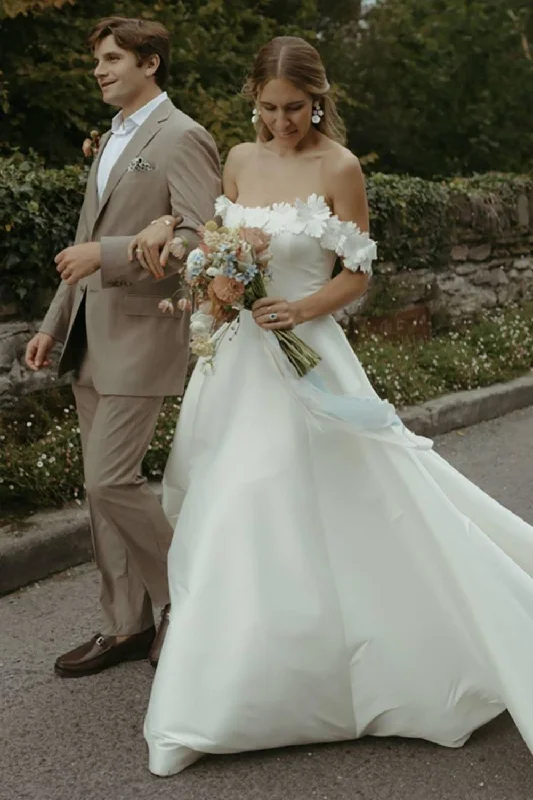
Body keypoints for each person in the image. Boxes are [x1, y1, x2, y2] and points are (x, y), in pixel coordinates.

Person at [134, 36, 533, 777]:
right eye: (269, 108)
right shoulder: (238, 159)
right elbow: (221, 244)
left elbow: (356, 276)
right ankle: (235, 688)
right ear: (252, 99)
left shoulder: (339, 168)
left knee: (319, 499)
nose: (281, 122)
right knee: (234, 508)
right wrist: (220, 293)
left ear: (318, 98)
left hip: (308, 353)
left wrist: (302, 305)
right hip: (239, 362)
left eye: (295, 107)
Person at [24, 16, 221, 677]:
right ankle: (126, 625)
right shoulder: (112, 138)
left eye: (112, 59)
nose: (100, 70)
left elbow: (200, 241)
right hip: (89, 337)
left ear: (151, 64)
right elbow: (82, 248)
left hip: (143, 335)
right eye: (98, 61)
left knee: (112, 480)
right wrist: (53, 325)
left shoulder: (182, 137)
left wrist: (106, 254)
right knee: (98, 494)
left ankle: (194, 600)